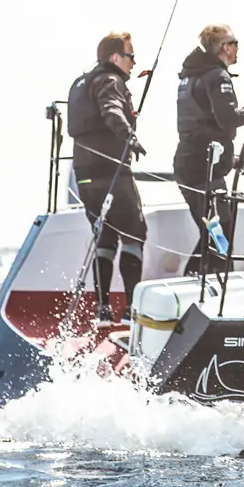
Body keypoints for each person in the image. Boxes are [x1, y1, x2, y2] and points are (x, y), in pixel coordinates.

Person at [174, 24, 244, 274]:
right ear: (225, 47)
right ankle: (205, 282)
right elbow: (227, 119)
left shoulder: (190, 76)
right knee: (219, 233)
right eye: (235, 43)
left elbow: (199, 126)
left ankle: (198, 279)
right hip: (205, 168)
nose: (237, 49)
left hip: (188, 164)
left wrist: (228, 158)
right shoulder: (217, 76)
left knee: (213, 231)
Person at [67, 31, 146, 321]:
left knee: (105, 237)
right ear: (115, 57)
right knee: (134, 233)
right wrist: (130, 137)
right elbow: (111, 110)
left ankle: (102, 309)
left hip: (84, 174)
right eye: (130, 56)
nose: (134, 63)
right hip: (111, 171)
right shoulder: (111, 81)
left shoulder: (81, 83)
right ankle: (130, 310)